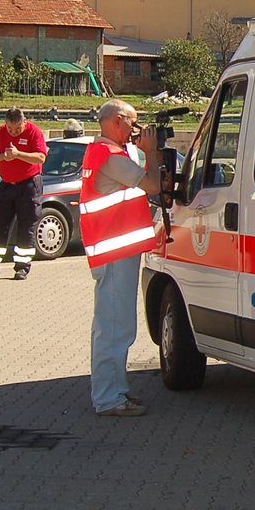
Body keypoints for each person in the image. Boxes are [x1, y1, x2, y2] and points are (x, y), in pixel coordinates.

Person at [79, 99, 159, 416]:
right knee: (115, 328)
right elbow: (151, 183)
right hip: (114, 253)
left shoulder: (104, 153)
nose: (135, 128)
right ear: (117, 121)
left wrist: (139, 148)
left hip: (112, 251)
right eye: (132, 122)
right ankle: (109, 399)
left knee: (112, 326)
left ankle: (116, 391)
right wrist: (151, 151)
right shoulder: (110, 157)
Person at [0, 106, 48, 280]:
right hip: (7, 185)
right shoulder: (0, 132)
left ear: (24, 122)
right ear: (5, 123)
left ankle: (22, 266)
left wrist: (17, 154)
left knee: (26, 226)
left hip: (29, 185)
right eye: (10, 128)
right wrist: (3, 157)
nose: (13, 132)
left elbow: (41, 157)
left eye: (17, 129)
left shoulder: (34, 132)